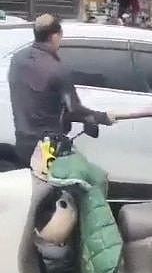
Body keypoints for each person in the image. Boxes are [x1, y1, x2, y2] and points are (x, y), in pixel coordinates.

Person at [8, 14, 116, 165]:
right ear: (54, 36)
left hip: (22, 142)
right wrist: (103, 117)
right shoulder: (57, 69)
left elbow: (41, 99)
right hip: (47, 147)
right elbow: (74, 109)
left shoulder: (17, 59)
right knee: (48, 185)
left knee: (30, 182)